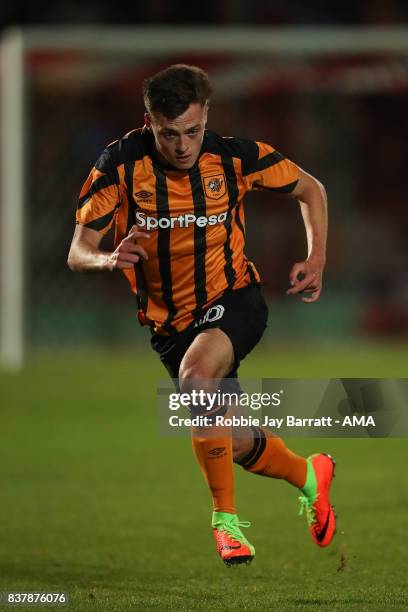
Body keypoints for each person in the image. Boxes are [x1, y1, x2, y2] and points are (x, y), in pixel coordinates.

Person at [68, 64, 335, 566]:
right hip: (170, 326)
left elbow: (311, 189)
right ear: (149, 123)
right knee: (230, 441)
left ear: (206, 115)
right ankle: (309, 475)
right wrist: (107, 258)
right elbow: (78, 250)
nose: (183, 146)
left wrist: (316, 256)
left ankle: (226, 524)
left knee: (196, 380)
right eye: (170, 134)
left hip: (236, 298)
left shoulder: (233, 157)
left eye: (192, 131)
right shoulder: (119, 166)